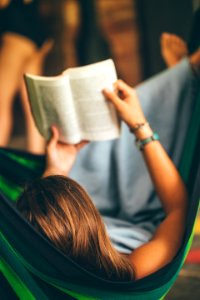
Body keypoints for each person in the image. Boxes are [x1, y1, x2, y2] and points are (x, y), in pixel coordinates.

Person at [17, 76, 189, 280]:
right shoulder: (131, 271)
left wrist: (57, 168)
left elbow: (45, 237)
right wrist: (139, 126)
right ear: (94, 222)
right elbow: (178, 210)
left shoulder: (26, 264)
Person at [0, 0, 53, 153]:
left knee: (1, 103)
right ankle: (37, 162)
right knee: (32, 106)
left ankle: (1, 166)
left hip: (16, 35)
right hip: (37, 33)